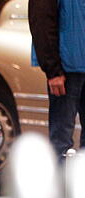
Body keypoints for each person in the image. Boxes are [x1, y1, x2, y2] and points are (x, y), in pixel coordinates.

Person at [29, 0, 85, 158]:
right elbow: (41, 21)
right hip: (66, 70)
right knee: (61, 142)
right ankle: (60, 182)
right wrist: (53, 70)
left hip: (76, 64)